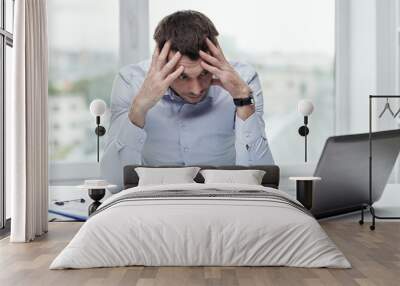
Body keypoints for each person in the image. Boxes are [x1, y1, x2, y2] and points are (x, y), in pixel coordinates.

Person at [100, 10, 274, 192]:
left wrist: (243, 99)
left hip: (222, 200)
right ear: (160, 62)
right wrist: (139, 107)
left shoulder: (243, 80)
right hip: (154, 201)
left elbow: (260, 180)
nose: (196, 89)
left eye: (205, 73)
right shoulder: (130, 81)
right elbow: (115, 183)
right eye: (182, 77)